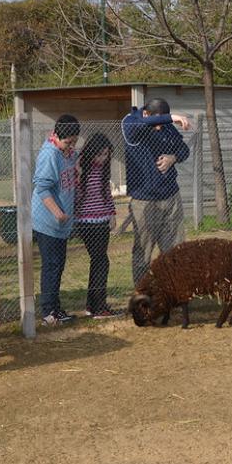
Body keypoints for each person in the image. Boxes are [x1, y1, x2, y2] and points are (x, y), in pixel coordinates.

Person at [121, 98, 191, 285]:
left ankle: (174, 292)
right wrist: (171, 117)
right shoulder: (131, 122)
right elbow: (139, 123)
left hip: (171, 196)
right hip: (144, 200)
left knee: (175, 249)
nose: (160, 127)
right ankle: (142, 294)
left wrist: (173, 158)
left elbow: (184, 150)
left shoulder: (167, 127)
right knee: (143, 250)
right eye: (158, 122)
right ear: (146, 114)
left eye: (164, 123)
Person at [32, 114, 80, 326]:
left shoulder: (67, 152)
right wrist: (57, 213)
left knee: (58, 266)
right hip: (48, 222)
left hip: (62, 224)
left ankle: (55, 307)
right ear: (57, 136)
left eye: (74, 141)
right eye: (68, 141)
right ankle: (48, 312)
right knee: (51, 265)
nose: (71, 145)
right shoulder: (50, 154)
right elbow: (42, 187)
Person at [74, 133, 121, 318]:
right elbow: (75, 195)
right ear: (92, 151)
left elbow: (106, 194)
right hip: (86, 222)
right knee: (101, 261)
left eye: (106, 155)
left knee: (99, 262)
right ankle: (99, 306)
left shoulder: (103, 170)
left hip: (102, 221)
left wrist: (111, 214)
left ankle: (92, 306)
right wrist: (79, 173)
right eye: (100, 154)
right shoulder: (79, 167)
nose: (103, 159)